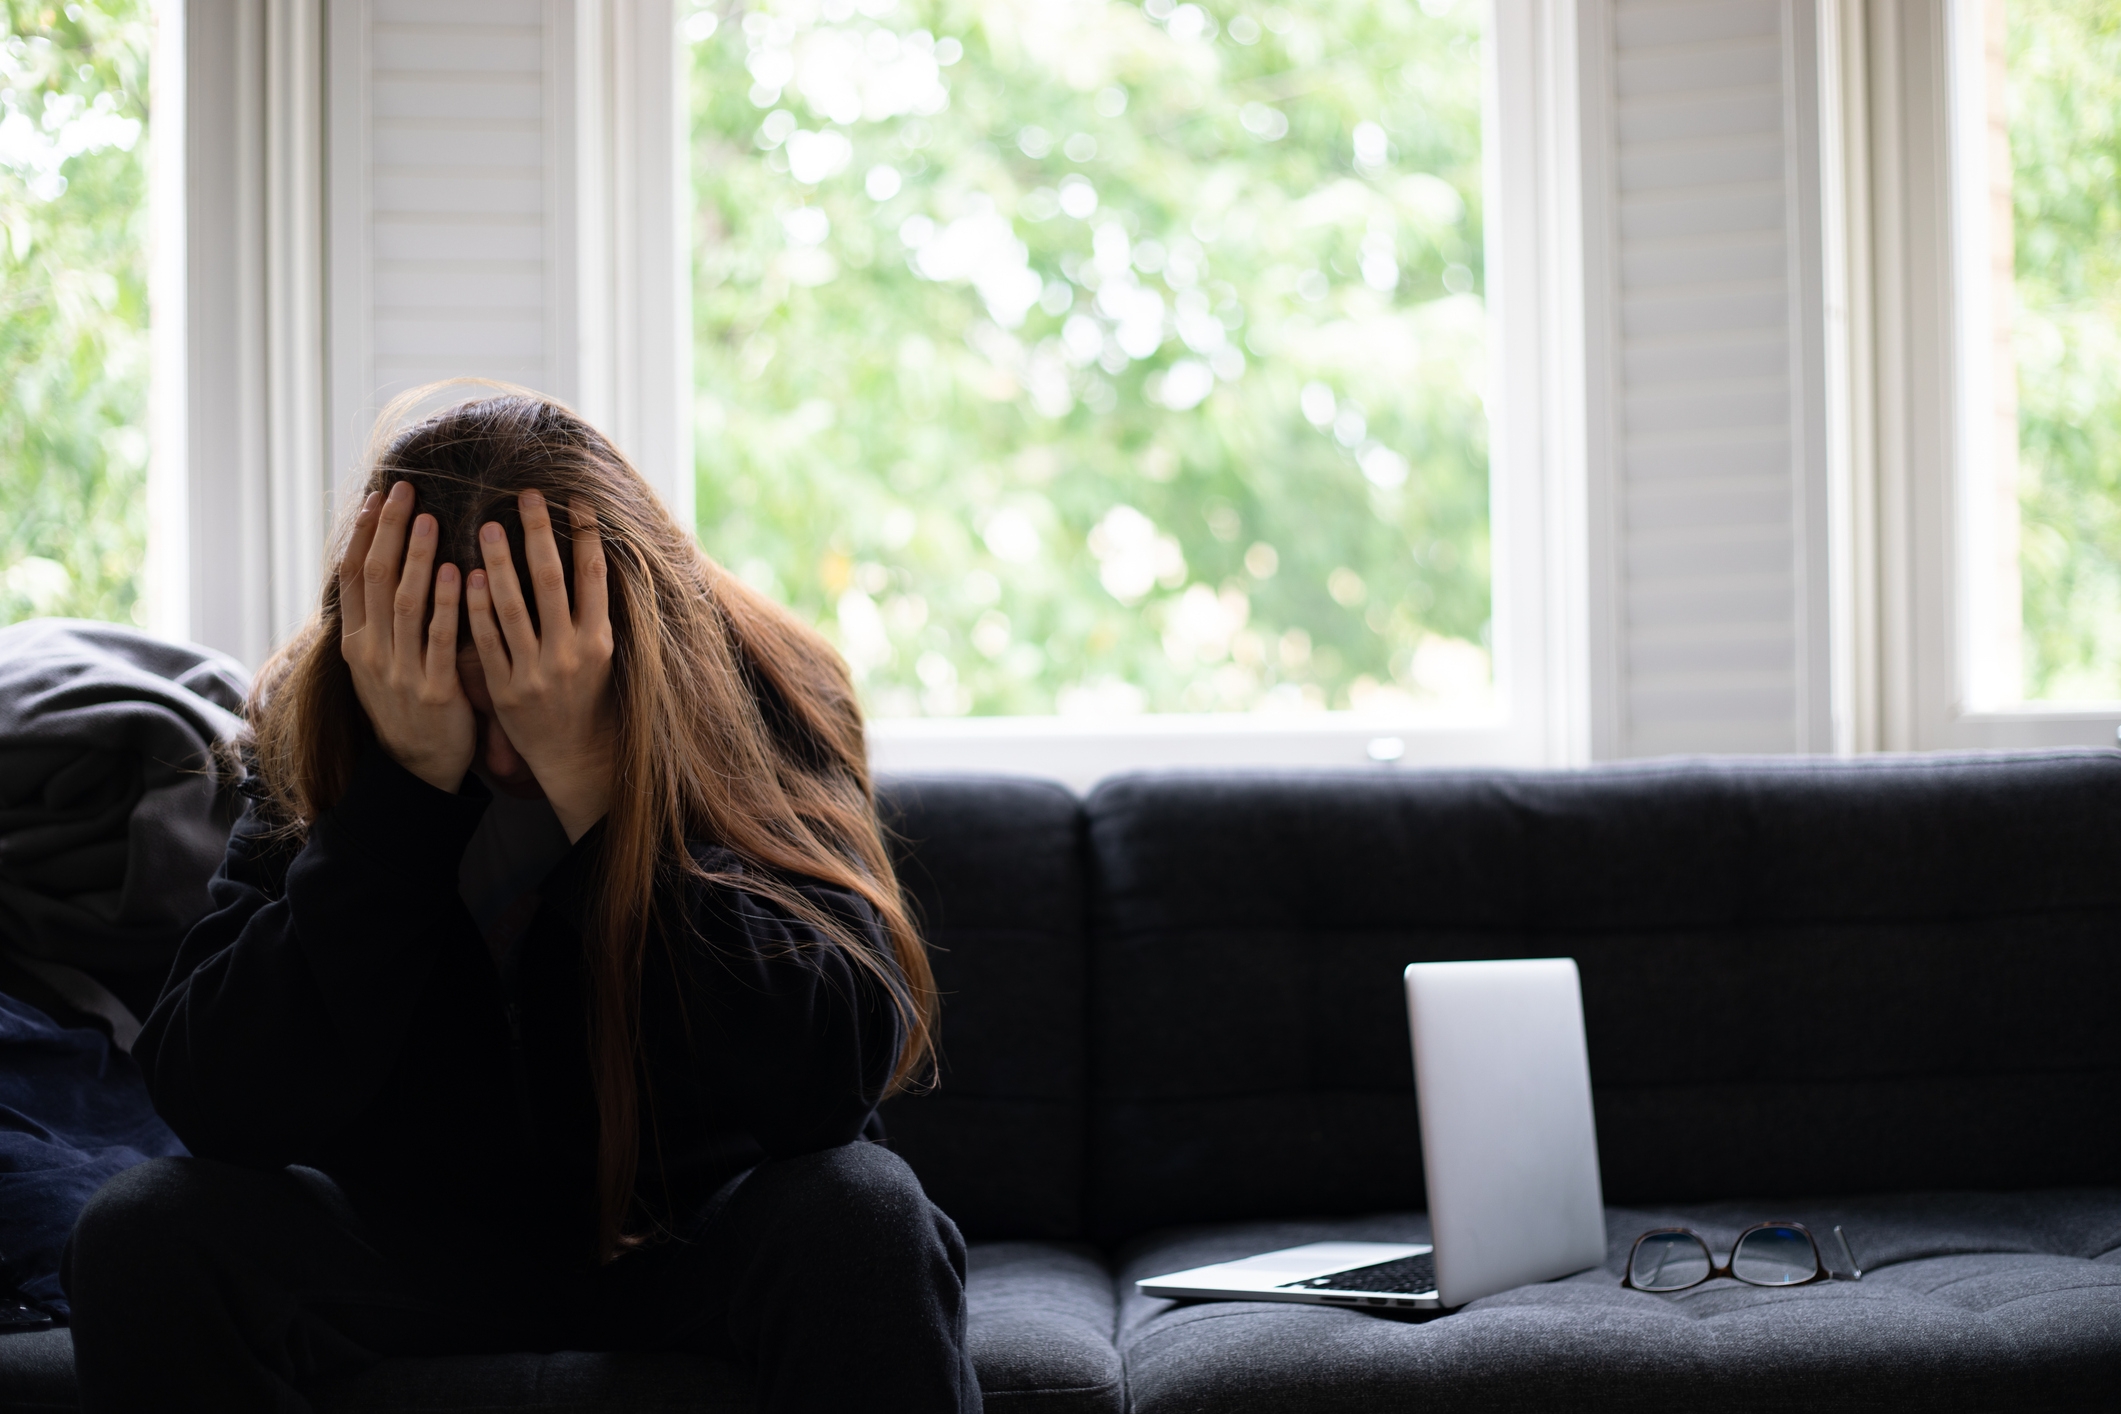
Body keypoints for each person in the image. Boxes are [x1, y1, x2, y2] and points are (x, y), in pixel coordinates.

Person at [60, 389, 977, 1414]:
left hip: (699, 1235)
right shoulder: (330, 713)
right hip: (410, 1246)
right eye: (464, 700)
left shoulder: (768, 689)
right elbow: (217, 1101)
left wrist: (595, 780)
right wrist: (400, 797)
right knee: (141, 1229)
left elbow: (824, 1088)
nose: (499, 754)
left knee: (865, 1213)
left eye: (534, 696)